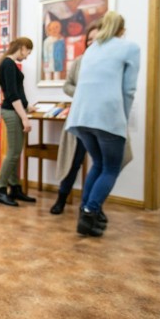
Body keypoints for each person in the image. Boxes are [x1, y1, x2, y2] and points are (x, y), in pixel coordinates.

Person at [65, 11, 140, 237]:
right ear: (122, 30)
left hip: (81, 117)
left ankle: (85, 214)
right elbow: (128, 90)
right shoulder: (129, 48)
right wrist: (122, 119)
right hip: (107, 116)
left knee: (98, 163)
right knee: (111, 167)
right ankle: (90, 211)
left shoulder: (91, 50)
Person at [50, 20, 99, 215]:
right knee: (74, 161)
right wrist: (82, 91)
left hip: (101, 119)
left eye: (97, 39)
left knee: (101, 164)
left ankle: (91, 205)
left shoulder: (110, 62)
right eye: (89, 40)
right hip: (80, 117)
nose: (91, 43)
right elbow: (67, 85)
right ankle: (61, 199)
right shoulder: (79, 61)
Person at [0, 37, 37, 207]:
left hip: (15, 110)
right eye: (28, 52)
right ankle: (1, 190)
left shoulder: (9, 64)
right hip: (12, 112)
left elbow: (16, 92)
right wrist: (24, 117)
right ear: (23, 47)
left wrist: (27, 106)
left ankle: (15, 188)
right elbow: (11, 94)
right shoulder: (8, 64)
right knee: (13, 152)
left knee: (16, 152)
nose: (26, 57)